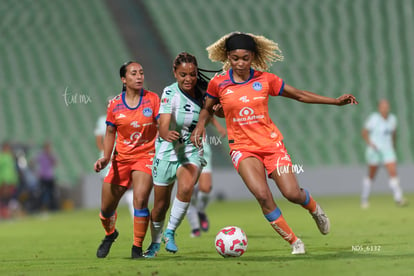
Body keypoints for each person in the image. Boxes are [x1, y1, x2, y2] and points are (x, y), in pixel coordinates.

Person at [191, 32, 358, 255]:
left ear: (253, 56)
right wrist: (202, 125)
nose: (240, 63)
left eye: (245, 58)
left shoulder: (265, 79)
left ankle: (314, 209)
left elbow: (299, 95)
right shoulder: (218, 83)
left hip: (271, 146)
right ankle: (294, 242)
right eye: (235, 58)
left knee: (291, 193)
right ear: (227, 57)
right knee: (262, 195)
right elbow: (209, 109)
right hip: (242, 148)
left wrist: (335, 102)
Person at [144, 52, 217, 258]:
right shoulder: (169, 92)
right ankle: (155, 243)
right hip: (167, 152)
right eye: (183, 74)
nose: (188, 79)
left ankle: (170, 232)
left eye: (192, 74)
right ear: (175, 73)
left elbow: (215, 111)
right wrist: (165, 132)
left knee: (186, 187)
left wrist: (215, 110)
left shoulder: (204, 93)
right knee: (160, 206)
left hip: (191, 151)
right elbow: (163, 123)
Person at [94, 61, 160, 259]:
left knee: (140, 199)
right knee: (106, 209)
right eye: (133, 73)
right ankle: (110, 234)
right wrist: (106, 157)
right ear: (124, 79)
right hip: (121, 159)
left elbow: (162, 126)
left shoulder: (153, 99)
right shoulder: (115, 104)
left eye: (141, 72)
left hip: (146, 157)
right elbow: (110, 132)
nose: (139, 76)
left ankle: (137, 248)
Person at [361, 99, 407, 209]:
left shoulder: (392, 119)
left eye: (386, 106)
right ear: (379, 108)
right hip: (375, 151)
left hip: (387, 150)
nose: (385, 108)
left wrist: (393, 146)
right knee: (371, 175)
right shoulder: (373, 118)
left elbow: (394, 133)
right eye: (383, 106)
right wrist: (370, 143)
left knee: (393, 172)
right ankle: (364, 199)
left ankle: (398, 198)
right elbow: (364, 132)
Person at [186, 116, 226, 237]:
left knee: (206, 188)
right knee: (187, 191)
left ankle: (200, 211)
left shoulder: (201, 99)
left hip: (202, 147)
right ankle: (195, 227)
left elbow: (207, 114)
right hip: (184, 148)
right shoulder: (178, 100)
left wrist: (219, 127)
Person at [94, 99, 134, 218]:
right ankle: (109, 217)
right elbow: (99, 140)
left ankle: (134, 215)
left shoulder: (126, 117)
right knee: (108, 189)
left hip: (124, 155)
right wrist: (106, 153)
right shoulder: (102, 120)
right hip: (108, 156)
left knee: (130, 187)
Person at [35, 141, 58, 211]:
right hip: (43, 177)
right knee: (42, 193)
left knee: (52, 193)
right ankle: (42, 207)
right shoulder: (41, 155)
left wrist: (50, 157)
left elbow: (56, 163)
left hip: (50, 176)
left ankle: (52, 208)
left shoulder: (51, 155)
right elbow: (33, 161)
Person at [0, 141, 19, 219]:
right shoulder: (1, 157)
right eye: (7, 147)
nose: (8, 149)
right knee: (3, 197)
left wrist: (15, 179)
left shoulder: (10, 157)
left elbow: (12, 169)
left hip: (10, 180)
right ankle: (3, 213)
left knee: (8, 197)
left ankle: (7, 213)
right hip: (3, 179)